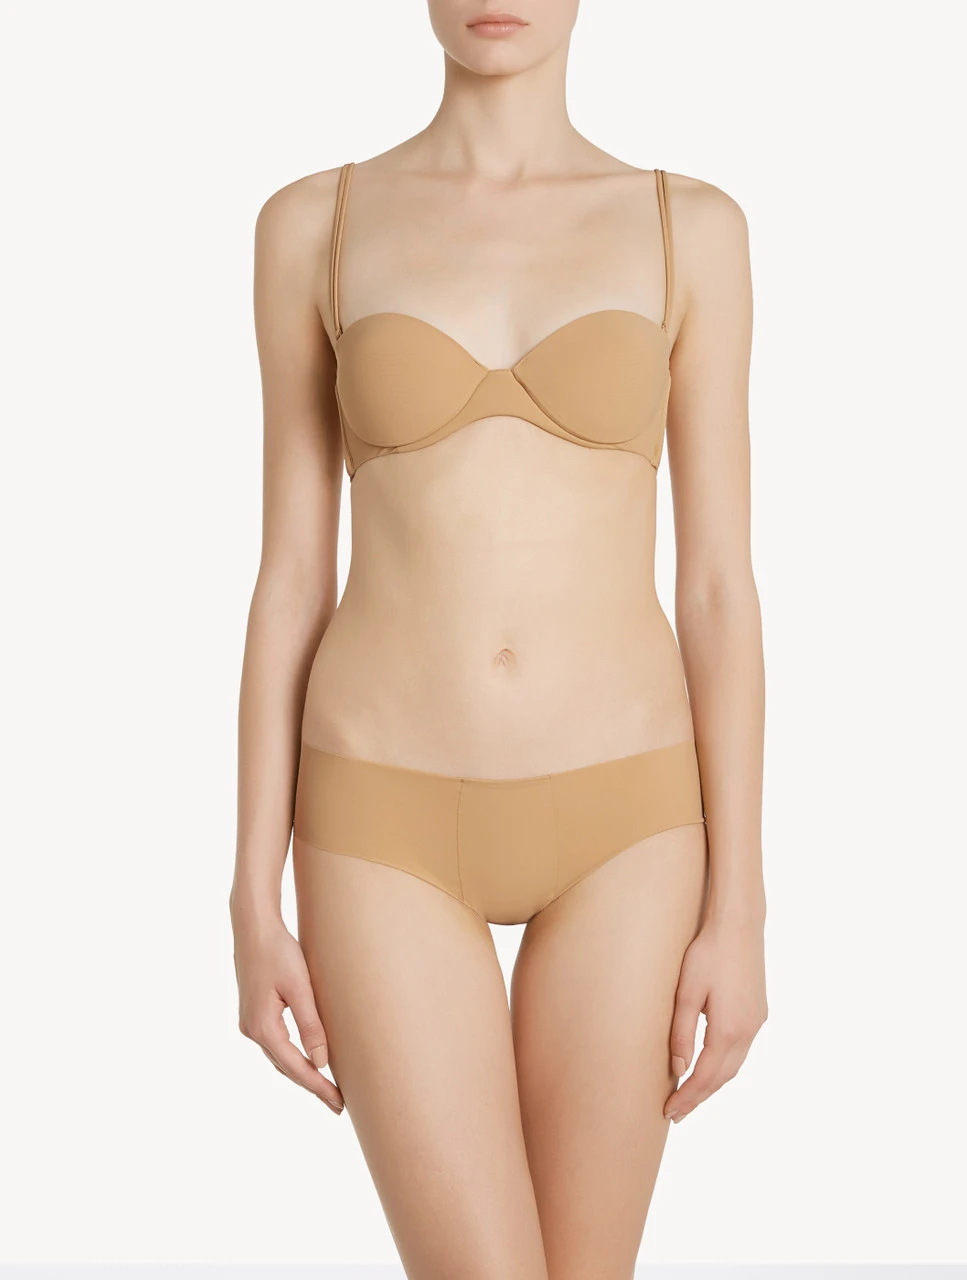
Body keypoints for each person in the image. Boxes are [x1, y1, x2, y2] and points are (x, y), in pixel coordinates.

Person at [230, 2, 767, 1275]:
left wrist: (740, 905)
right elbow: (291, 573)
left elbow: (717, 588)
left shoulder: (689, 227)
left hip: (628, 823)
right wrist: (250, 893)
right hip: (380, 817)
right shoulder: (312, 223)